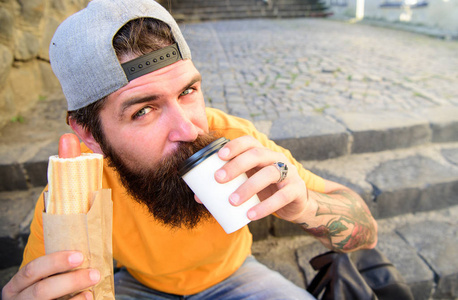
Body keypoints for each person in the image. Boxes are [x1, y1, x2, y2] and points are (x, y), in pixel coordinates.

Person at [2, 0, 378, 299]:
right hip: (138, 287)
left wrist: (305, 206)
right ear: (90, 134)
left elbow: (367, 231)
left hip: (237, 276)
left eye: (188, 91)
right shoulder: (76, 191)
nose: (188, 129)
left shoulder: (230, 137)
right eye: (143, 110)